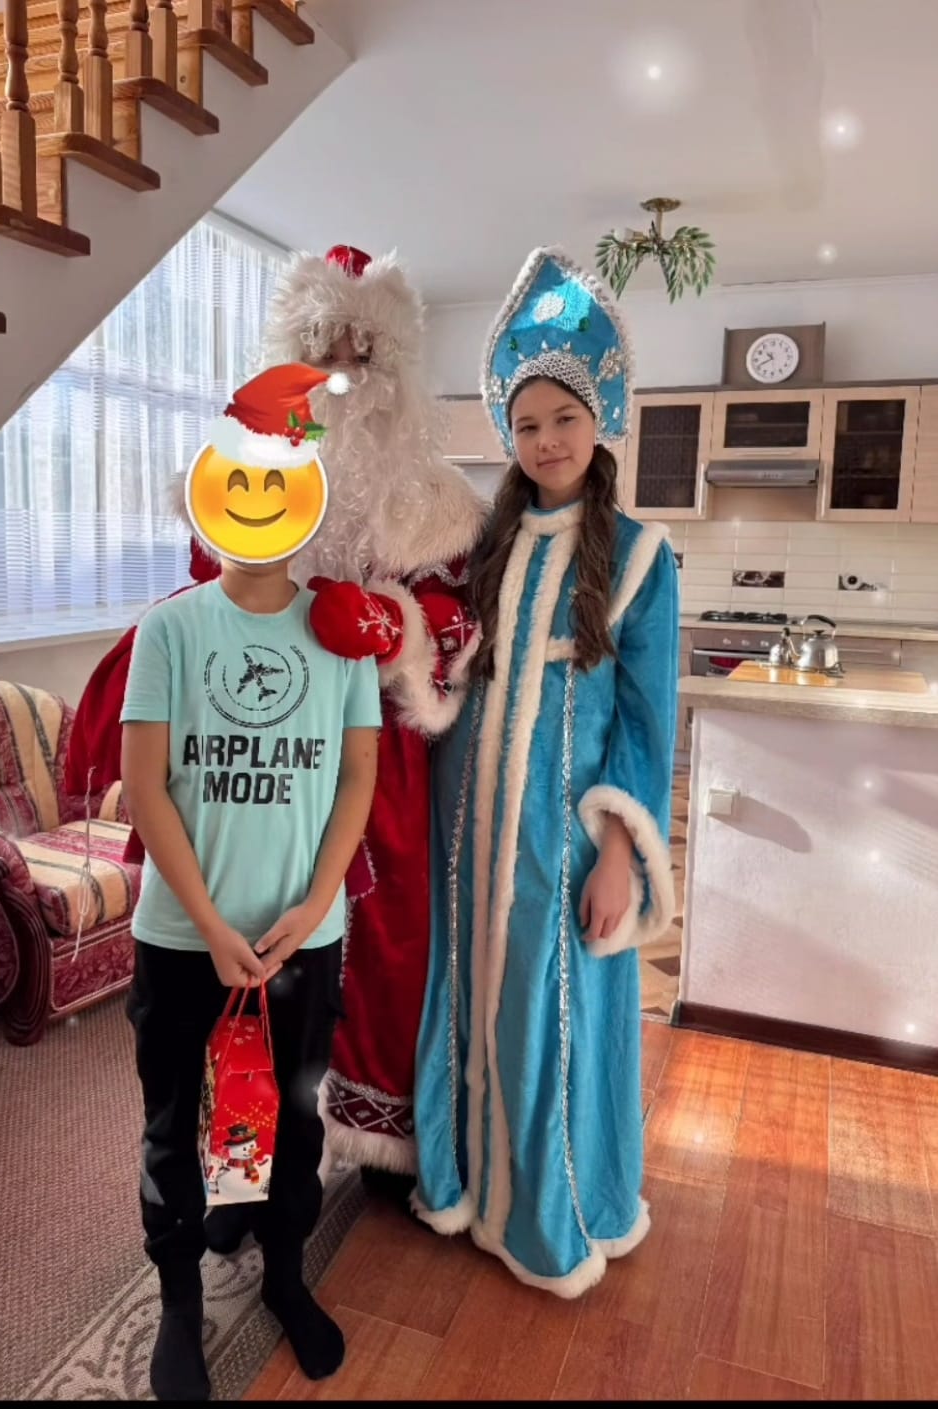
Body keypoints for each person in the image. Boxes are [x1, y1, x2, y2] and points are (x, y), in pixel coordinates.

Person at [411, 247, 680, 1299]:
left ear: (597, 420)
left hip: (561, 838)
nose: (545, 441)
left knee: (550, 1016)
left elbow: (646, 723)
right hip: (464, 834)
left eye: (563, 418)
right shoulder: (482, 542)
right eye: (525, 424)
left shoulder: (642, 555)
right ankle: (464, 1184)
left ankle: (551, 1214)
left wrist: (616, 852)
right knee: (467, 997)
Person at [121, 362, 381, 1400]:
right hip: (183, 937)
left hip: (299, 938)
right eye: (236, 480)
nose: (255, 502)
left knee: (287, 1120)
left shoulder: (340, 634)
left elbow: (356, 774)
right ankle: (179, 1304)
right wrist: (207, 919)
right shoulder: (171, 629)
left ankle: (281, 1276)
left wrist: (314, 906)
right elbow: (146, 785)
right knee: (171, 1120)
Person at [260, 244, 485, 1191]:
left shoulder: (437, 499)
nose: (347, 375)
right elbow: (204, 591)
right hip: (269, 739)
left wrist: (396, 624)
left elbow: (462, 613)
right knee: (263, 944)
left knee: (389, 935)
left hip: (384, 747)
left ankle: (380, 1135)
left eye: (368, 354)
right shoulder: (253, 474)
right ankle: (254, 1155)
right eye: (327, 351)